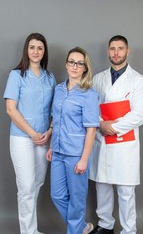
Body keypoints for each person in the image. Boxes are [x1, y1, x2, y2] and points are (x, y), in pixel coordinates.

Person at [89, 35, 143, 234]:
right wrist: (100, 123)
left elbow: (139, 115)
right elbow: (90, 108)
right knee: (102, 186)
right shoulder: (97, 79)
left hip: (124, 144)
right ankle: (105, 225)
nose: (116, 53)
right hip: (102, 142)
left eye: (120, 48)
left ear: (127, 51)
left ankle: (128, 230)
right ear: (108, 51)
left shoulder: (138, 80)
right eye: (112, 48)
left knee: (125, 191)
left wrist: (111, 127)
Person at [3, 33, 57, 234]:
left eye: (40, 48)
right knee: (26, 187)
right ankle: (28, 232)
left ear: (44, 52)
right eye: (32, 47)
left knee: (37, 183)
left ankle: (32, 229)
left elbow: (55, 109)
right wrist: (32, 133)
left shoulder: (50, 78)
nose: (36, 51)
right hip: (22, 138)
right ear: (26, 50)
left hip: (43, 139)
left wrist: (49, 131)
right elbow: (11, 109)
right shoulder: (16, 75)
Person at [46, 46, 99, 234]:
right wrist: (52, 146)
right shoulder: (59, 89)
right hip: (58, 152)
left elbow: (91, 130)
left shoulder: (89, 94)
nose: (75, 66)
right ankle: (82, 227)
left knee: (76, 200)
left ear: (85, 67)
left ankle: (75, 230)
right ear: (66, 64)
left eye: (79, 63)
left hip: (77, 154)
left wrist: (84, 159)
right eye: (71, 62)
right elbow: (56, 119)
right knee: (57, 195)